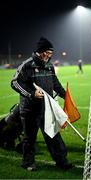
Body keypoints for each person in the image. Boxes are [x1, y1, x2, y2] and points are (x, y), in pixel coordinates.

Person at [11, 37, 72, 171]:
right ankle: (28, 163)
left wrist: (65, 95)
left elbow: (55, 83)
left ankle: (62, 161)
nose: (50, 56)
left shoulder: (49, 66)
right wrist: (31, 94)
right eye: (48, 53)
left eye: (51, 54)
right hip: (29, 109)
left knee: (53, 135)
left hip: (46, 109)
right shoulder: (27, 65)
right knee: (29, 138)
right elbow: (15, 82)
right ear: (41, 51)